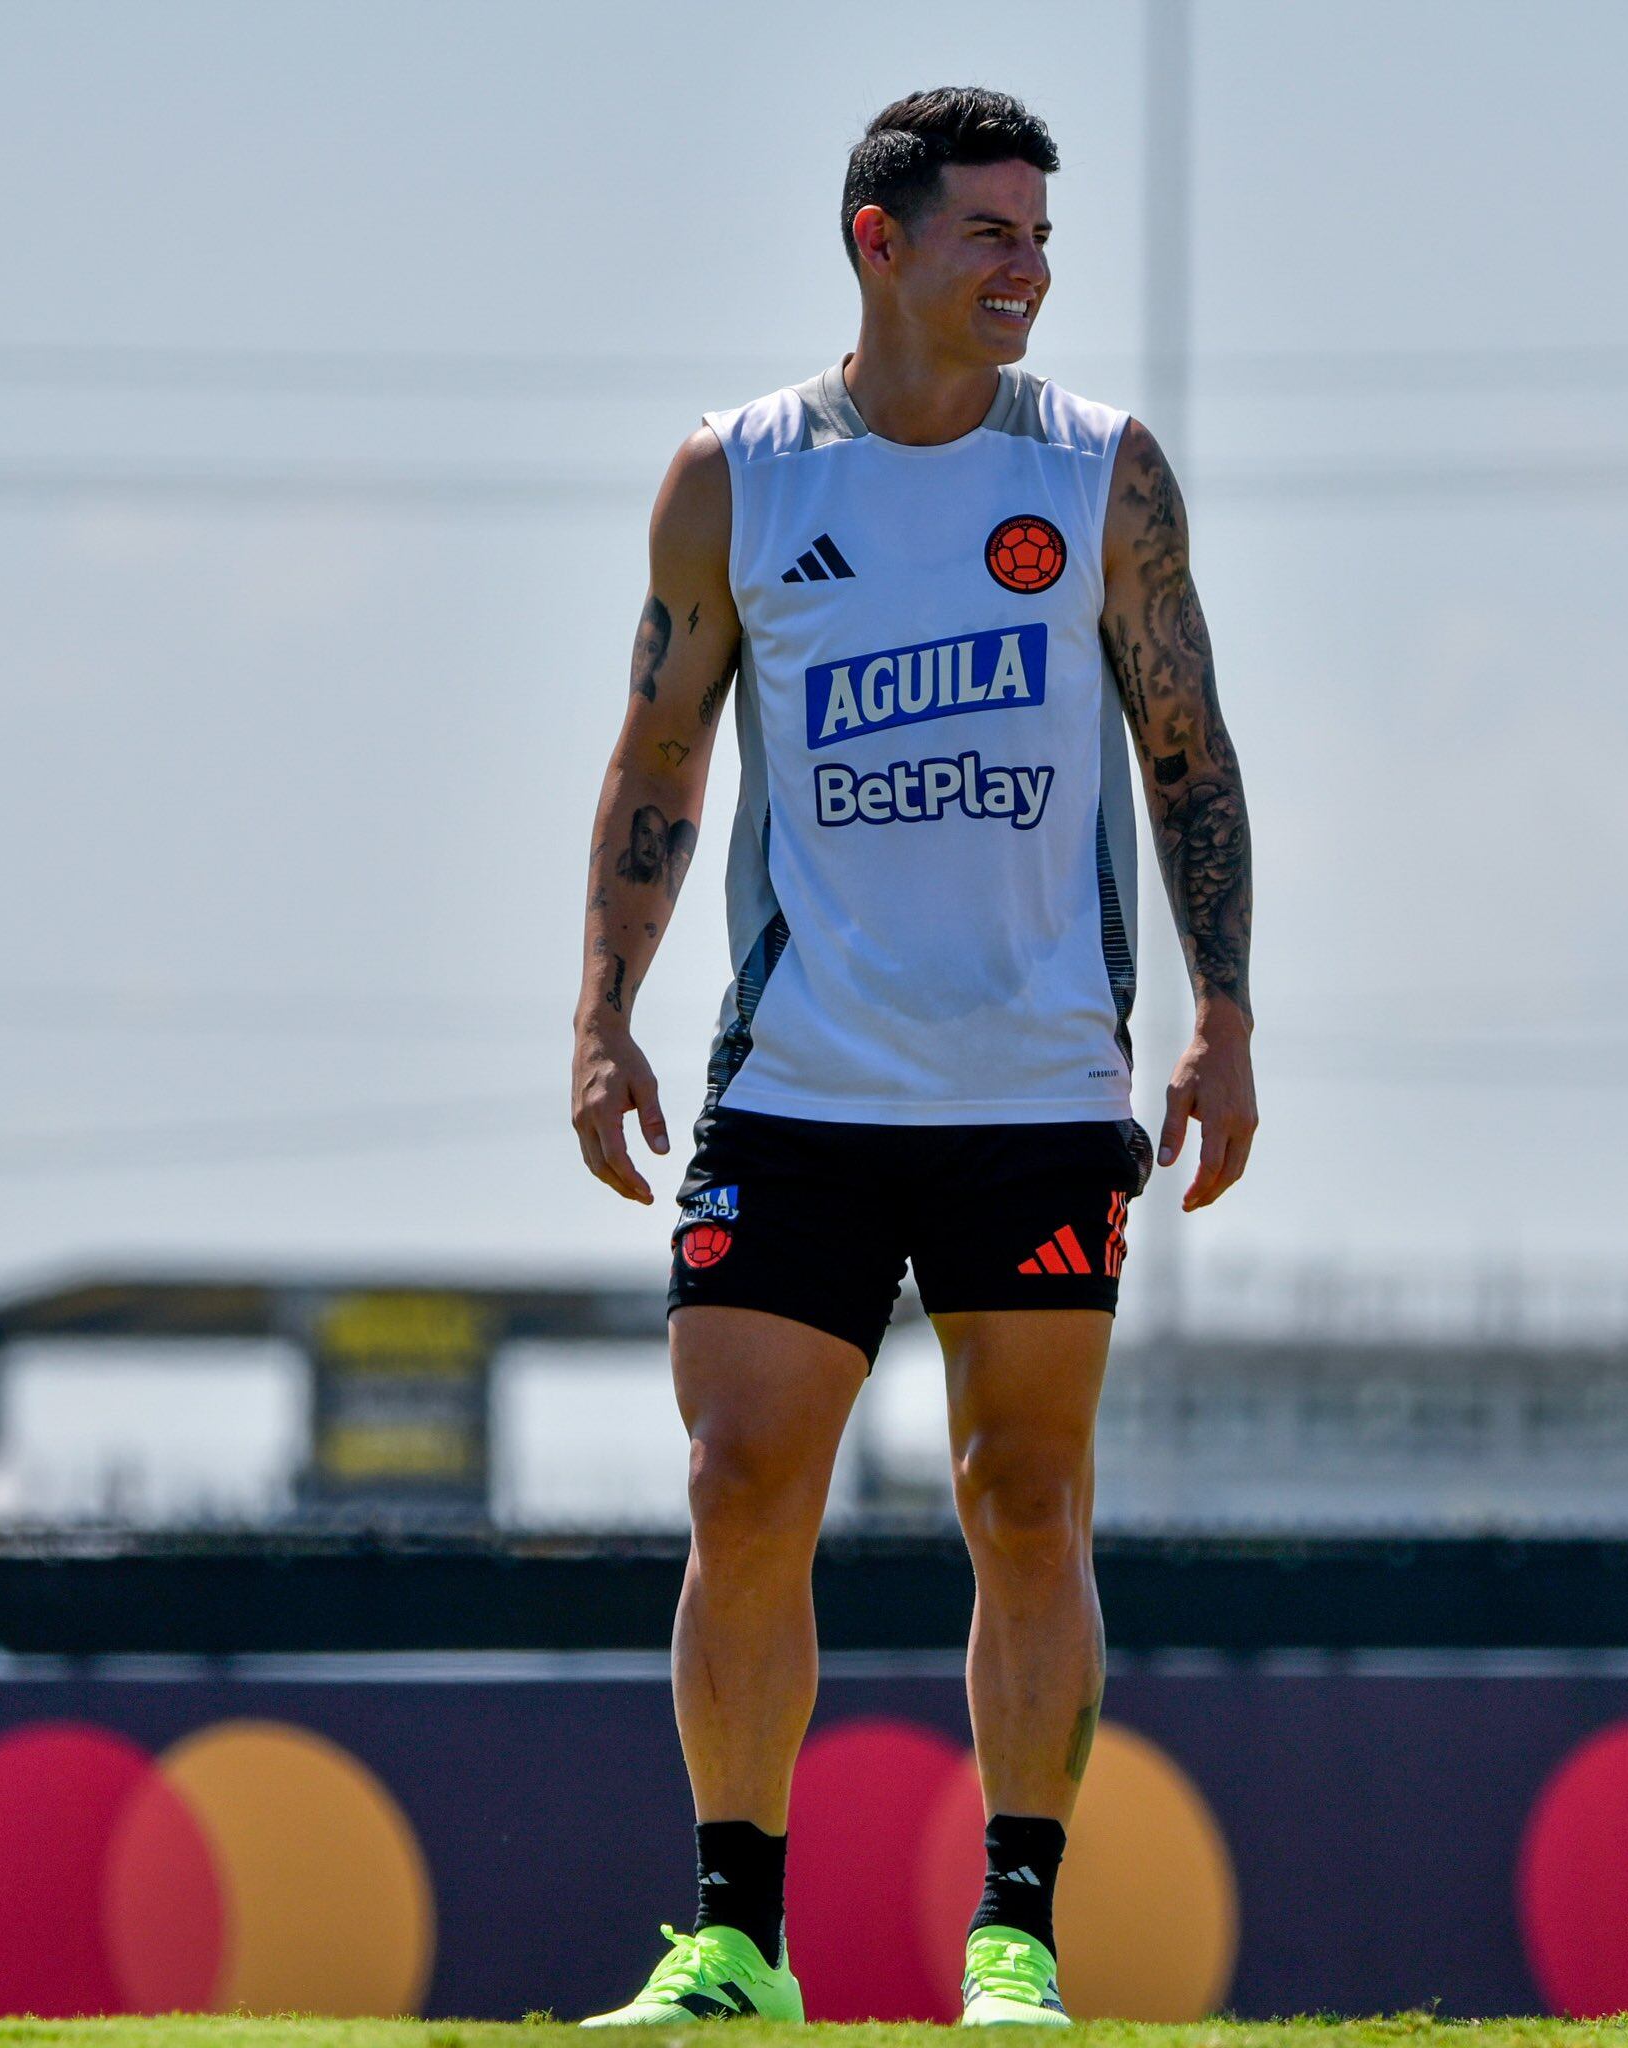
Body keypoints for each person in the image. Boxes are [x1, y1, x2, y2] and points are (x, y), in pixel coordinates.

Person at [572, 86, 1255, 2028]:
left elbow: (1188, 757)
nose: (1029, 267)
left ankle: (1014, 1940)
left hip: (1038, 1091)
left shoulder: (1109, 475)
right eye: (992, 234)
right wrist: (600, 1012)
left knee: (1022, 1497)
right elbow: (659, 760)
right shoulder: (739, 477)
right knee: (736, 1482)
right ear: (880, 243)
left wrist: (1222, 1016)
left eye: (1043, 236)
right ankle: (731, 1943)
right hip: (795, 1086)